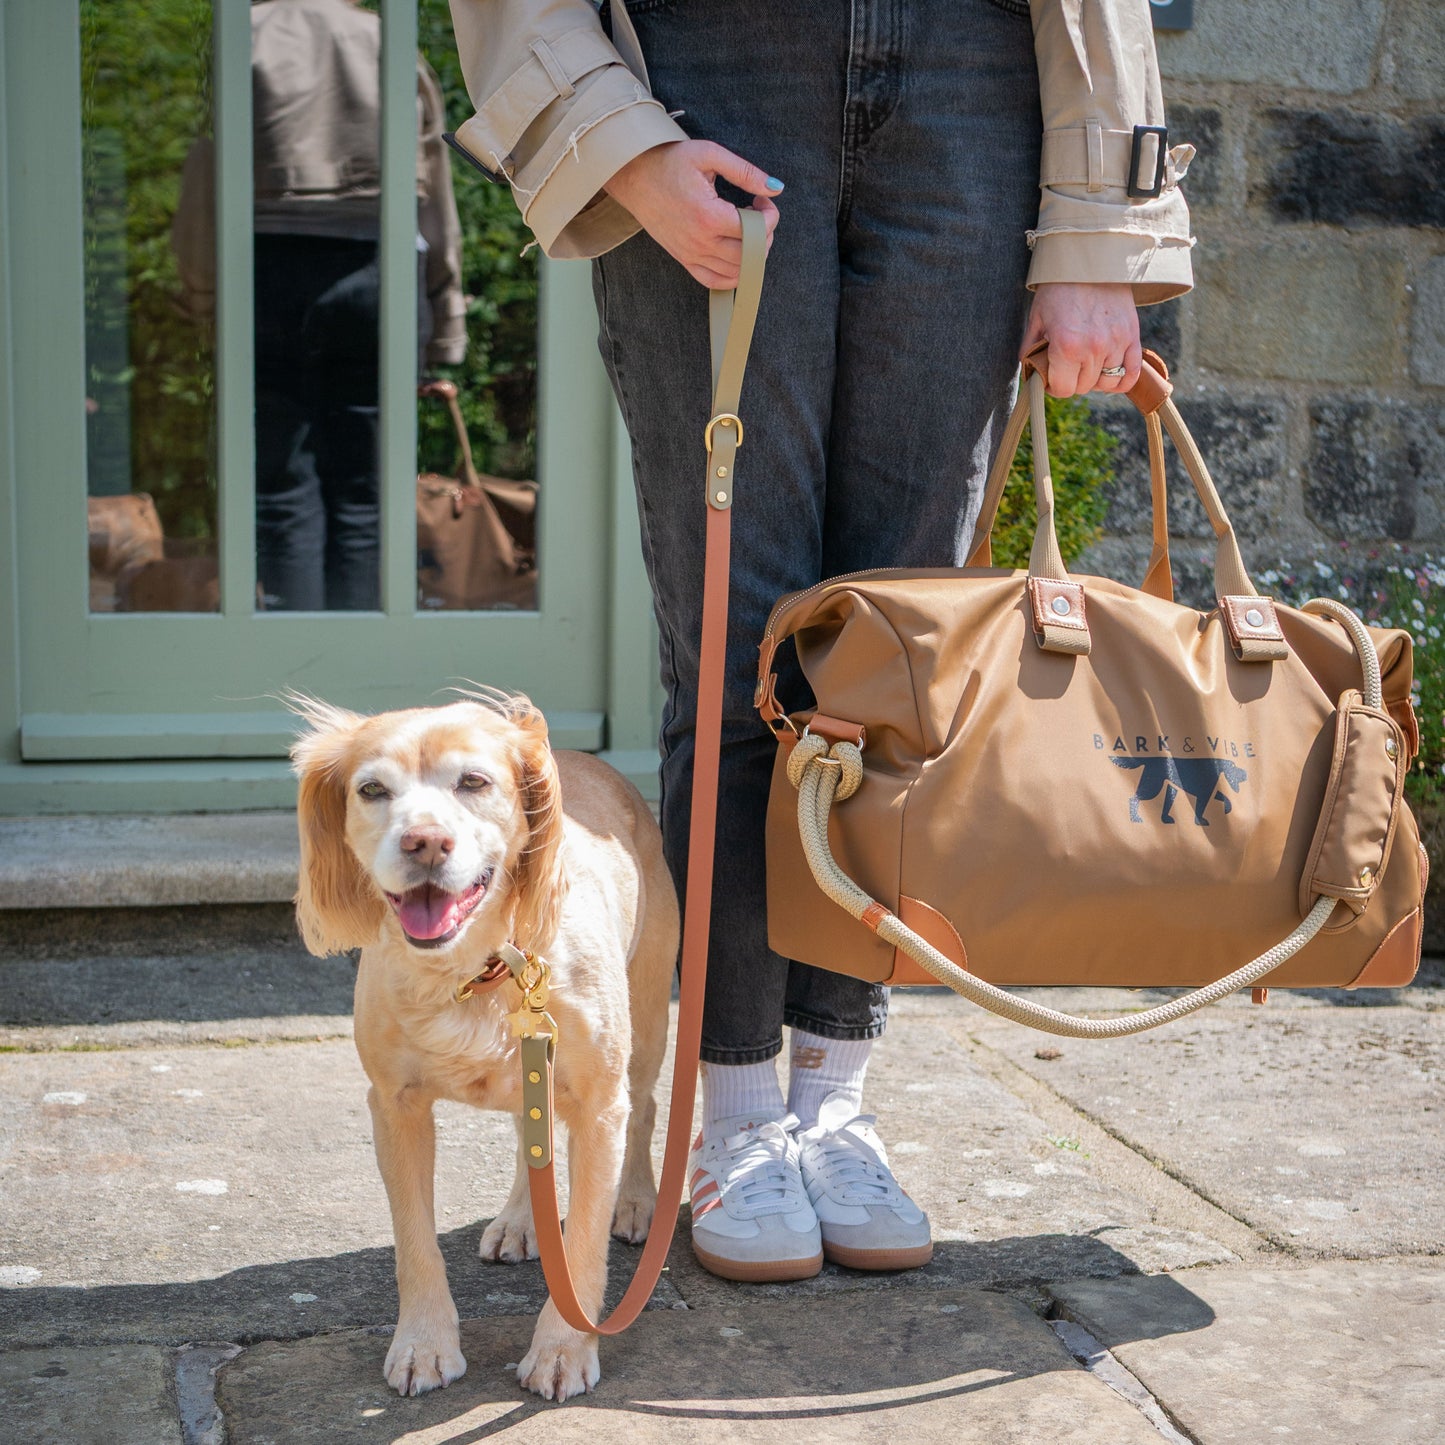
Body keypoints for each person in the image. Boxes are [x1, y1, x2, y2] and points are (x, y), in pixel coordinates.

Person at [447, 0, 1194, 1281]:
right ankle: (731, 1116)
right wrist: (617, 139)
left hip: (976, 73)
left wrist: (1099, 235)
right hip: (711, 61)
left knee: (893, 662)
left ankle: (830, 1102)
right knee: (747, 650)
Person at [176, 0, 467, 611]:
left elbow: (206, 174)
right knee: (369, 492)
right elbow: (433, 190)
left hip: (265, 268)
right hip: (377, 267)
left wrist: (204, 294)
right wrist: (445, 318)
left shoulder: (242, 35)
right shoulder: (388, 40)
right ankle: (357, 674)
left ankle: (294, 667)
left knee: (281, 489)